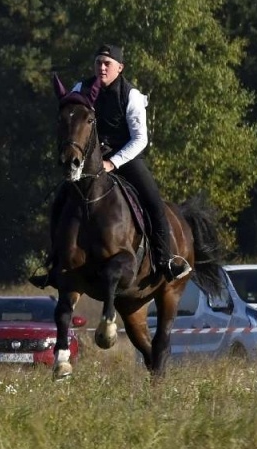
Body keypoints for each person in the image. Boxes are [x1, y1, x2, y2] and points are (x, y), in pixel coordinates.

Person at [70, 43, 192, 282]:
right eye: (98, 63)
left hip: (125, 158)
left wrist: (113, 163)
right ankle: (53, 260)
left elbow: (140, 139)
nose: (102, 68)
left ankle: (165, 260)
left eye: (107, 64)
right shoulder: (80, 88)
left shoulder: (131, 95)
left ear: (120, 68)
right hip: (90, 160)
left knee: (154, 203)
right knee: (62, 198)